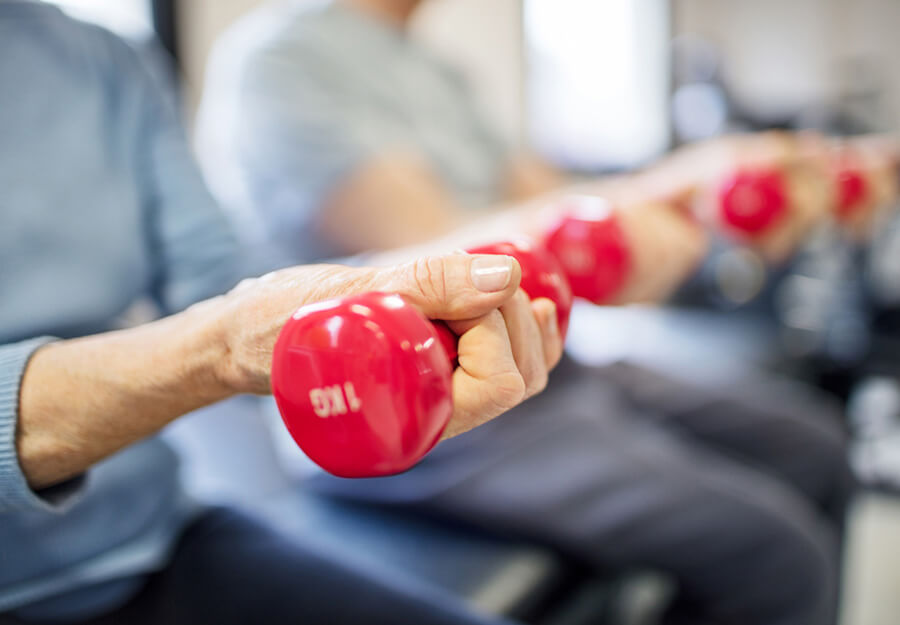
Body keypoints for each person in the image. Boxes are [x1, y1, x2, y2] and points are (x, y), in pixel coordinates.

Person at [197, 1, 860, 623]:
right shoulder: (285, 62)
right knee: (777, 554)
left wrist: (703, 200)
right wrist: (666, 185)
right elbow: (433, 264)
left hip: (536, 363)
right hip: (415, 420)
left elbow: (555, 203)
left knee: (817, 447)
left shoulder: (433, 70)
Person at [0, 3, 564, 624]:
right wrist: (223, 347)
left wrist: (387, 315)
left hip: (152, 535)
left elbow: (215, 287)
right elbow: (224, 334)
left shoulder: (99, 56)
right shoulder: (284, 55)